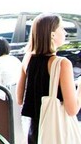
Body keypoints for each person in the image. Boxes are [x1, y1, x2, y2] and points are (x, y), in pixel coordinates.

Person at [17, 13, 81, 143]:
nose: (65, 32)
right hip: (56, 132)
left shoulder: (27, 59)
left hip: (34, 132)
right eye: (61, 28)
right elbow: (72, 109)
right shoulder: (62, 64)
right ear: (52, 34)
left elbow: (19, 98)